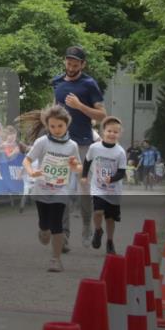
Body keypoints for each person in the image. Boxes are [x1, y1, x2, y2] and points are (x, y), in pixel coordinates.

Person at [50, 45, 106, 250]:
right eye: (68, 62)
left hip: (83, 143)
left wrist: (80, 106)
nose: (71, 66)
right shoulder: (56, 82)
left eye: (75, 64)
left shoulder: (89, 84)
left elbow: (102, 115)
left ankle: (85, 225)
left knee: (84, 189)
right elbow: (55, 108)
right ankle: (63, 235)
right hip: (61, 143)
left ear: (83, 64)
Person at [23, 104, 82, 272]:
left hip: (60, 190)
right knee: (45, 225)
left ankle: (55, 259)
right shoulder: (42, 142)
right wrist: (32, 171)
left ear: (67, 125)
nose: (56, 129)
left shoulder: (72, 146)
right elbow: (27, 160)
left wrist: (74, 166)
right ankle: (43, 230)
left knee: (57, 224)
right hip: (42, 189)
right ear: (48, 126)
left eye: (60, 126)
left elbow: (78, 168)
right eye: (53, 126)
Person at [82, 116, 127, 255]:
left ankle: (110, 241)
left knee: (110, 218)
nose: (112, 134)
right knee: (98, 212)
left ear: (119, 134)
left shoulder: (120, 152)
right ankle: (98, 230)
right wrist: (84, 176)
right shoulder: (94, 147)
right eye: (109, 131)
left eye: (115, 132)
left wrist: (112, 178)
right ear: (103, 132)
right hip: (98, 187)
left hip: (113, 190)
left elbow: (122, 172)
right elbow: (87, 161)